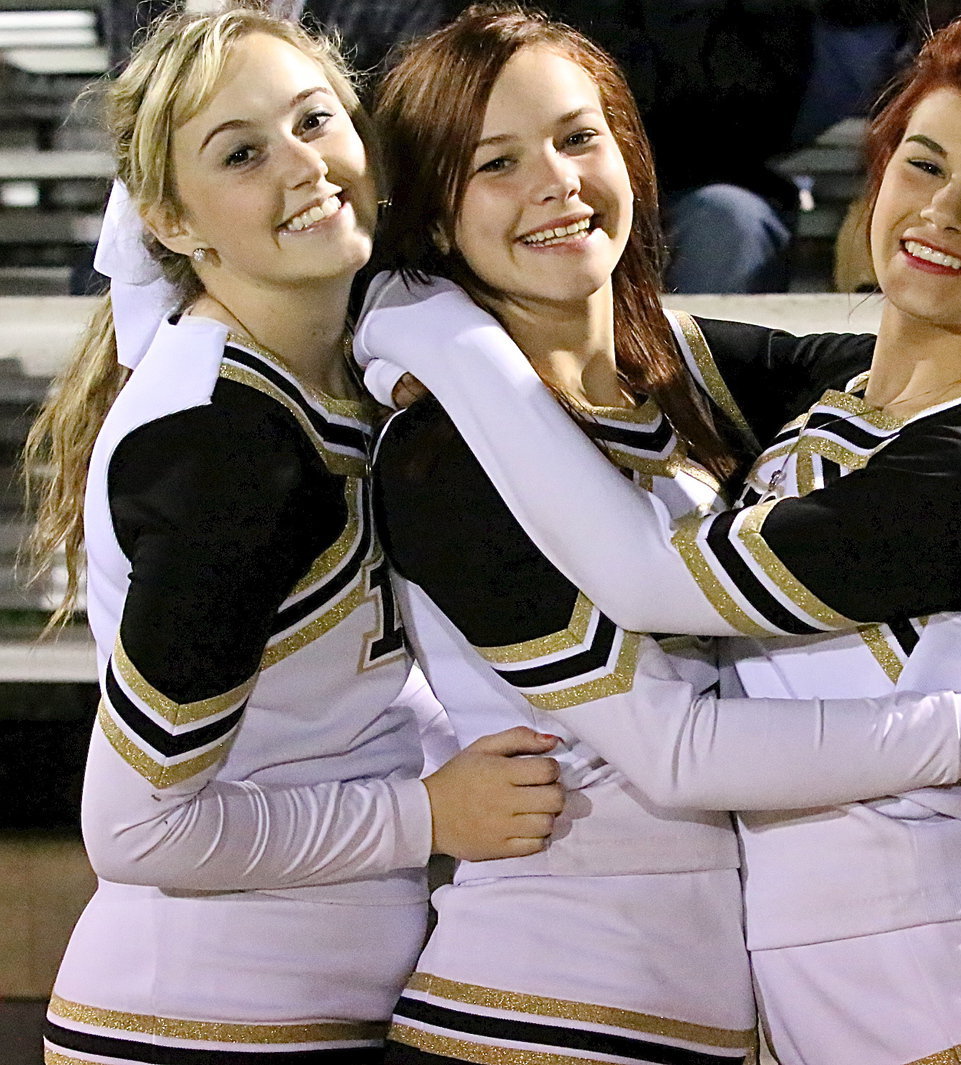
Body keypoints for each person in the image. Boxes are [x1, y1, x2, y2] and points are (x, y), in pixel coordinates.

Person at [357, 9, 961, 1065]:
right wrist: (406, 305)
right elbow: (676, 749)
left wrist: (421, 319)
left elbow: (662, 577)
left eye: (577, 137)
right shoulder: (449, 450)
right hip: (543, 1003)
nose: (554, 181)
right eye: (492, 162)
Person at [21, 8, 565, 1063]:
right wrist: (426, 817)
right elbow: (135, 832)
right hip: (196, 1025)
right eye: (242, 153)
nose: (305, 167)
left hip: (297, 1011)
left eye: (317, 120)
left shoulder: (335, 369)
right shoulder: (230, 451)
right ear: (174, 223)